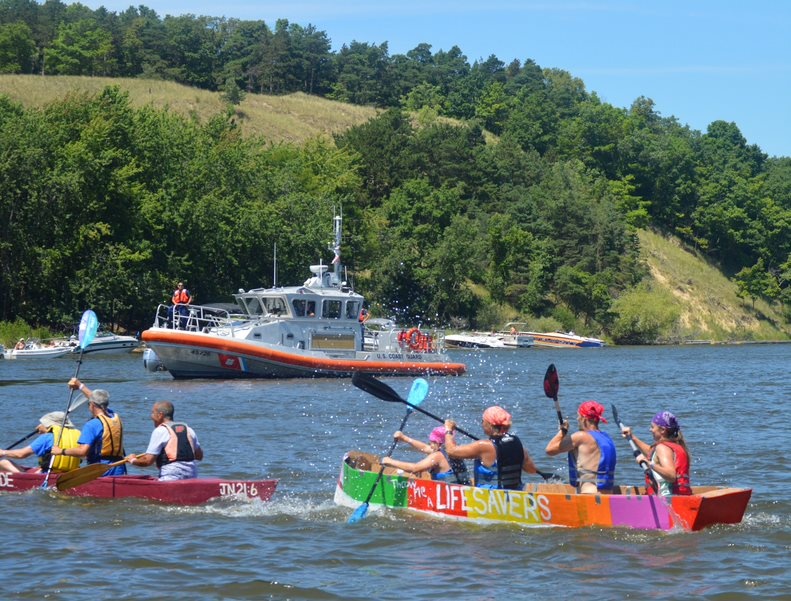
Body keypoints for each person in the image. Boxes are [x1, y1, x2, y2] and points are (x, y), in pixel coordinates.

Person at [444, 406, 541, 490]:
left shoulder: (483, 446)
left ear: (489, 425)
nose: (482, 424)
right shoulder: (517, 444)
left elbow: (451, 451)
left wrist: (448, 430)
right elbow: (531, 470)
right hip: (515, 496)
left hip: (489, 498)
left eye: (483, 421)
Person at [52, 378, 126, 476]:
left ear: (91, 405)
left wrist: (61, 451)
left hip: (100, 470)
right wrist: (79, 385)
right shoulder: (114, 416)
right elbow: (96, 399)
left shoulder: (92, 425)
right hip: (119, 468)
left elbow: (83, 452)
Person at [545, 401, 617, 494]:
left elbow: (550, 450)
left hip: (589, 495)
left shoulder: (581, 436)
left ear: (584, 419)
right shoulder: (607, 438)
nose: (577, 418)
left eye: (578, 416)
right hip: (606, 495)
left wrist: (563, 431)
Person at [125, 401, 203, 480]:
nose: (151, 416)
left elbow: (148, 461)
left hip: (171, 475)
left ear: (160, 415)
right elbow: (199, 456)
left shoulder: (160, 431)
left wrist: (133, 460)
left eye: (153, 413)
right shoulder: (189, 430)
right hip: (192, 474)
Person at [621, 411, 692, 497]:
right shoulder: (675, 446)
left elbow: (671, 475)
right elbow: (652, 454)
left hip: (668, 500)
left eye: (652, 427)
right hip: (682, 496)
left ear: (662, 430)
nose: (650, 430)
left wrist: (649, 464)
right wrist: (632, 437)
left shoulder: (662, 448)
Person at [382, 426, 470, 484]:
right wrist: (404, 438)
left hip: (447, 497)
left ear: (438, 443)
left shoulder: (437, 456)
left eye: (431, 442)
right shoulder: (455, 451)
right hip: (462, 490)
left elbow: (414, 468)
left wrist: (390, 462)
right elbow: (424, 447)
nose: (430, 445)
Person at [0, 412, 81, 473]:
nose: (39, 426)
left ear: (50, 425)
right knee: (39, 467)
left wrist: (3, 452)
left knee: (3, 462)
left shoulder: (47, 438)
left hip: (48, 475)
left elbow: (21, 454)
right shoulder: (78, 436)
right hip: (69, 474)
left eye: (43, 423)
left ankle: (25, 480)